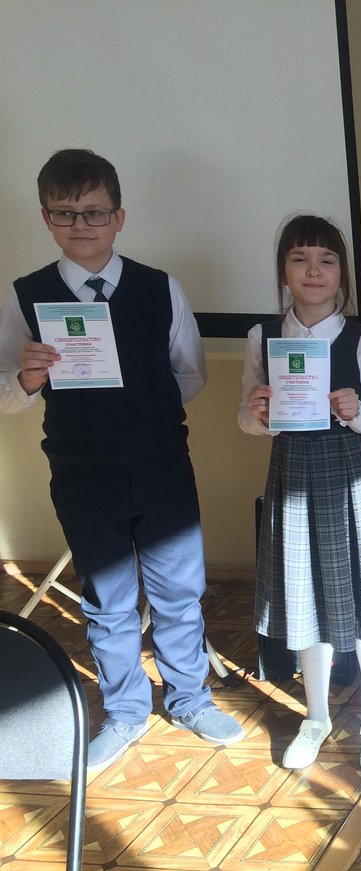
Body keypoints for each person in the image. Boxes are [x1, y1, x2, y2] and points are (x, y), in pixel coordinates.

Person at [0, 148, 243, 769]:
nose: (81, 224)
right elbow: (7, 393)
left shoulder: (160, 287)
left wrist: (141, 411)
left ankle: (189, 699)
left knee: (178, 593)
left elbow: (189, 373)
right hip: (82, 471)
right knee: (108, 601)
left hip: (161, 465)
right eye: (65, 213)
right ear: (46, 218)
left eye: (94, 212)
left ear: (119, 217)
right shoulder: (26, 296)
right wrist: (26, 381)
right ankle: (127, 711)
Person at [238, 215, 361, 771]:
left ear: (342, 274)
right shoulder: (262, 338)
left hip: (350, 481)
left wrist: (359, 412)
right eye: (300, 259)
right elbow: (247, 419)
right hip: (291, 478)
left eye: (326, 261)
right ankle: (316, 717)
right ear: (283, 271)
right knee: (304, 600)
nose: (313, 271)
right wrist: (259, 414)